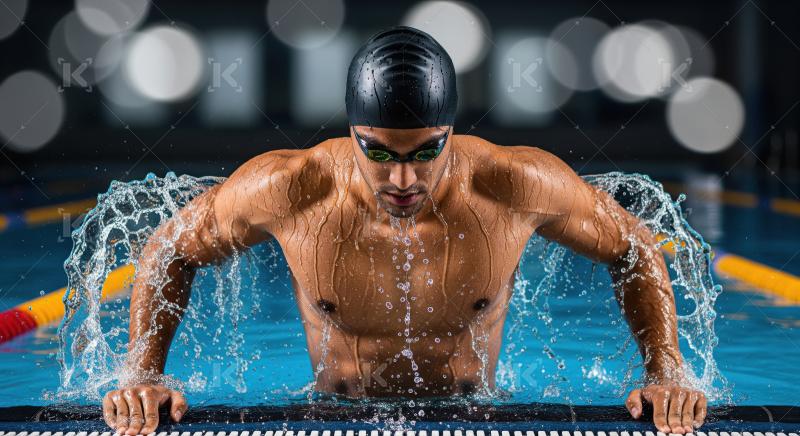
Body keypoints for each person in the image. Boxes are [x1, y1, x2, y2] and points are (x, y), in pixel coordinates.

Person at [102, 26, 707, 435]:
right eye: (379, 153)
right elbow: (169, 248)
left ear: (451, 131)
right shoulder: (291, 188)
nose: (403, 178)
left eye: (426, 152)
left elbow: (631, 242)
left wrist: (666, 368)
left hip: (476, 420)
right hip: (333, 416)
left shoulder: (511, 185)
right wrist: (144, 372)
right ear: (351, 131)